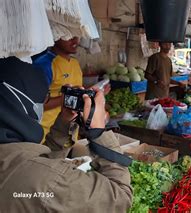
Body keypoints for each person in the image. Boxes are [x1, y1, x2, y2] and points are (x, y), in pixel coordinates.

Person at [0, 57, 132, 212]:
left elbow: (38, 164)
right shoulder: (51, 182)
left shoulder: (15, 158)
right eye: (44, 100)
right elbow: (120, 198)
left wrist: (64, 123)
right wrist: (98, 132)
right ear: (28, 106)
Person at [33, 37, 83, 141]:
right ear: (55, 36)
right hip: (46, 135)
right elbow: (34, 104)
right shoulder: (44, 64)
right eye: (68, 36)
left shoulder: (75, 63)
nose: (75, 40)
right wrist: (67, 98)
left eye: (77, 36)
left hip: (68, 133)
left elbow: (77, 93)